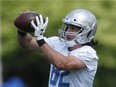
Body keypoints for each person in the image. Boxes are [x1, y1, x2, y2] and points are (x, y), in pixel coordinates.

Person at [17, 9, 98, 87]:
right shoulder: (57, 42)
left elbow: (62, 64)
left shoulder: (88, 53)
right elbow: (28, 43)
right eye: (67, 27)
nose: (67, 31)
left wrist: (40, 39)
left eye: (73, 28)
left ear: (87, 31)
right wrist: (22, 30)